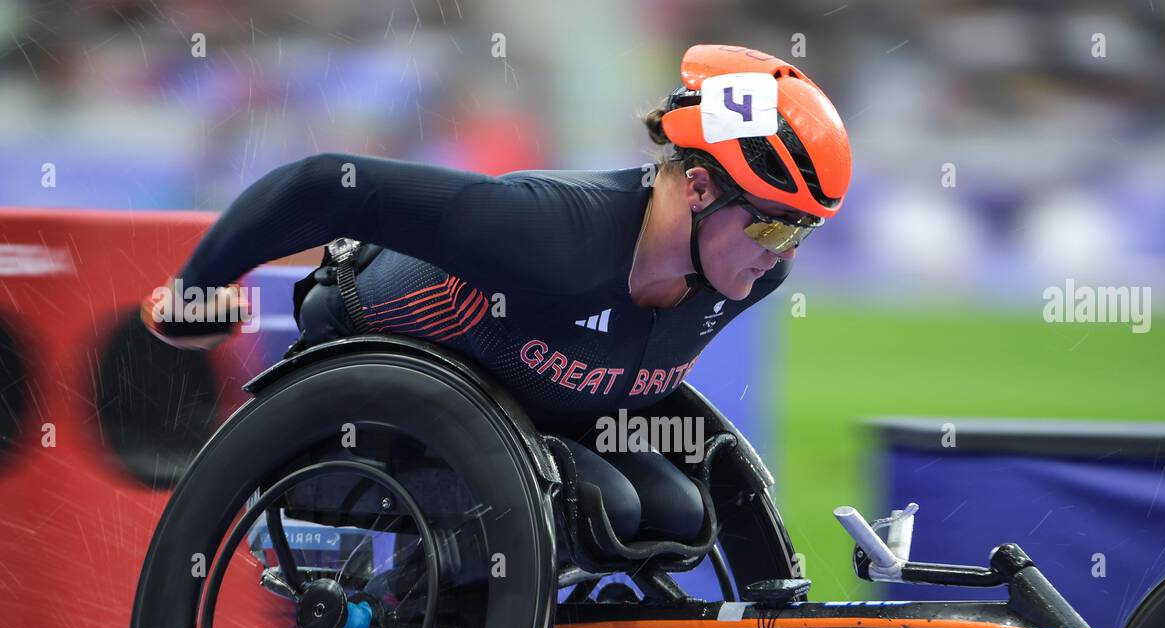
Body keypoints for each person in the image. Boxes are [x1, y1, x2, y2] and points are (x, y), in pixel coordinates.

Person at [142, 43, 852, 567]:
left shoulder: (754, 277)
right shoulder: (550, 233)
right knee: (612, 502)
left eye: (804, 231)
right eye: (774, 222)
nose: (782, 253)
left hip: (523, 407)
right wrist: (197, 290)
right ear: (698, 188)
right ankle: (420, 584)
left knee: (674, 512)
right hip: (377, 355)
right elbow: (324, 185)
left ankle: (441, 597)